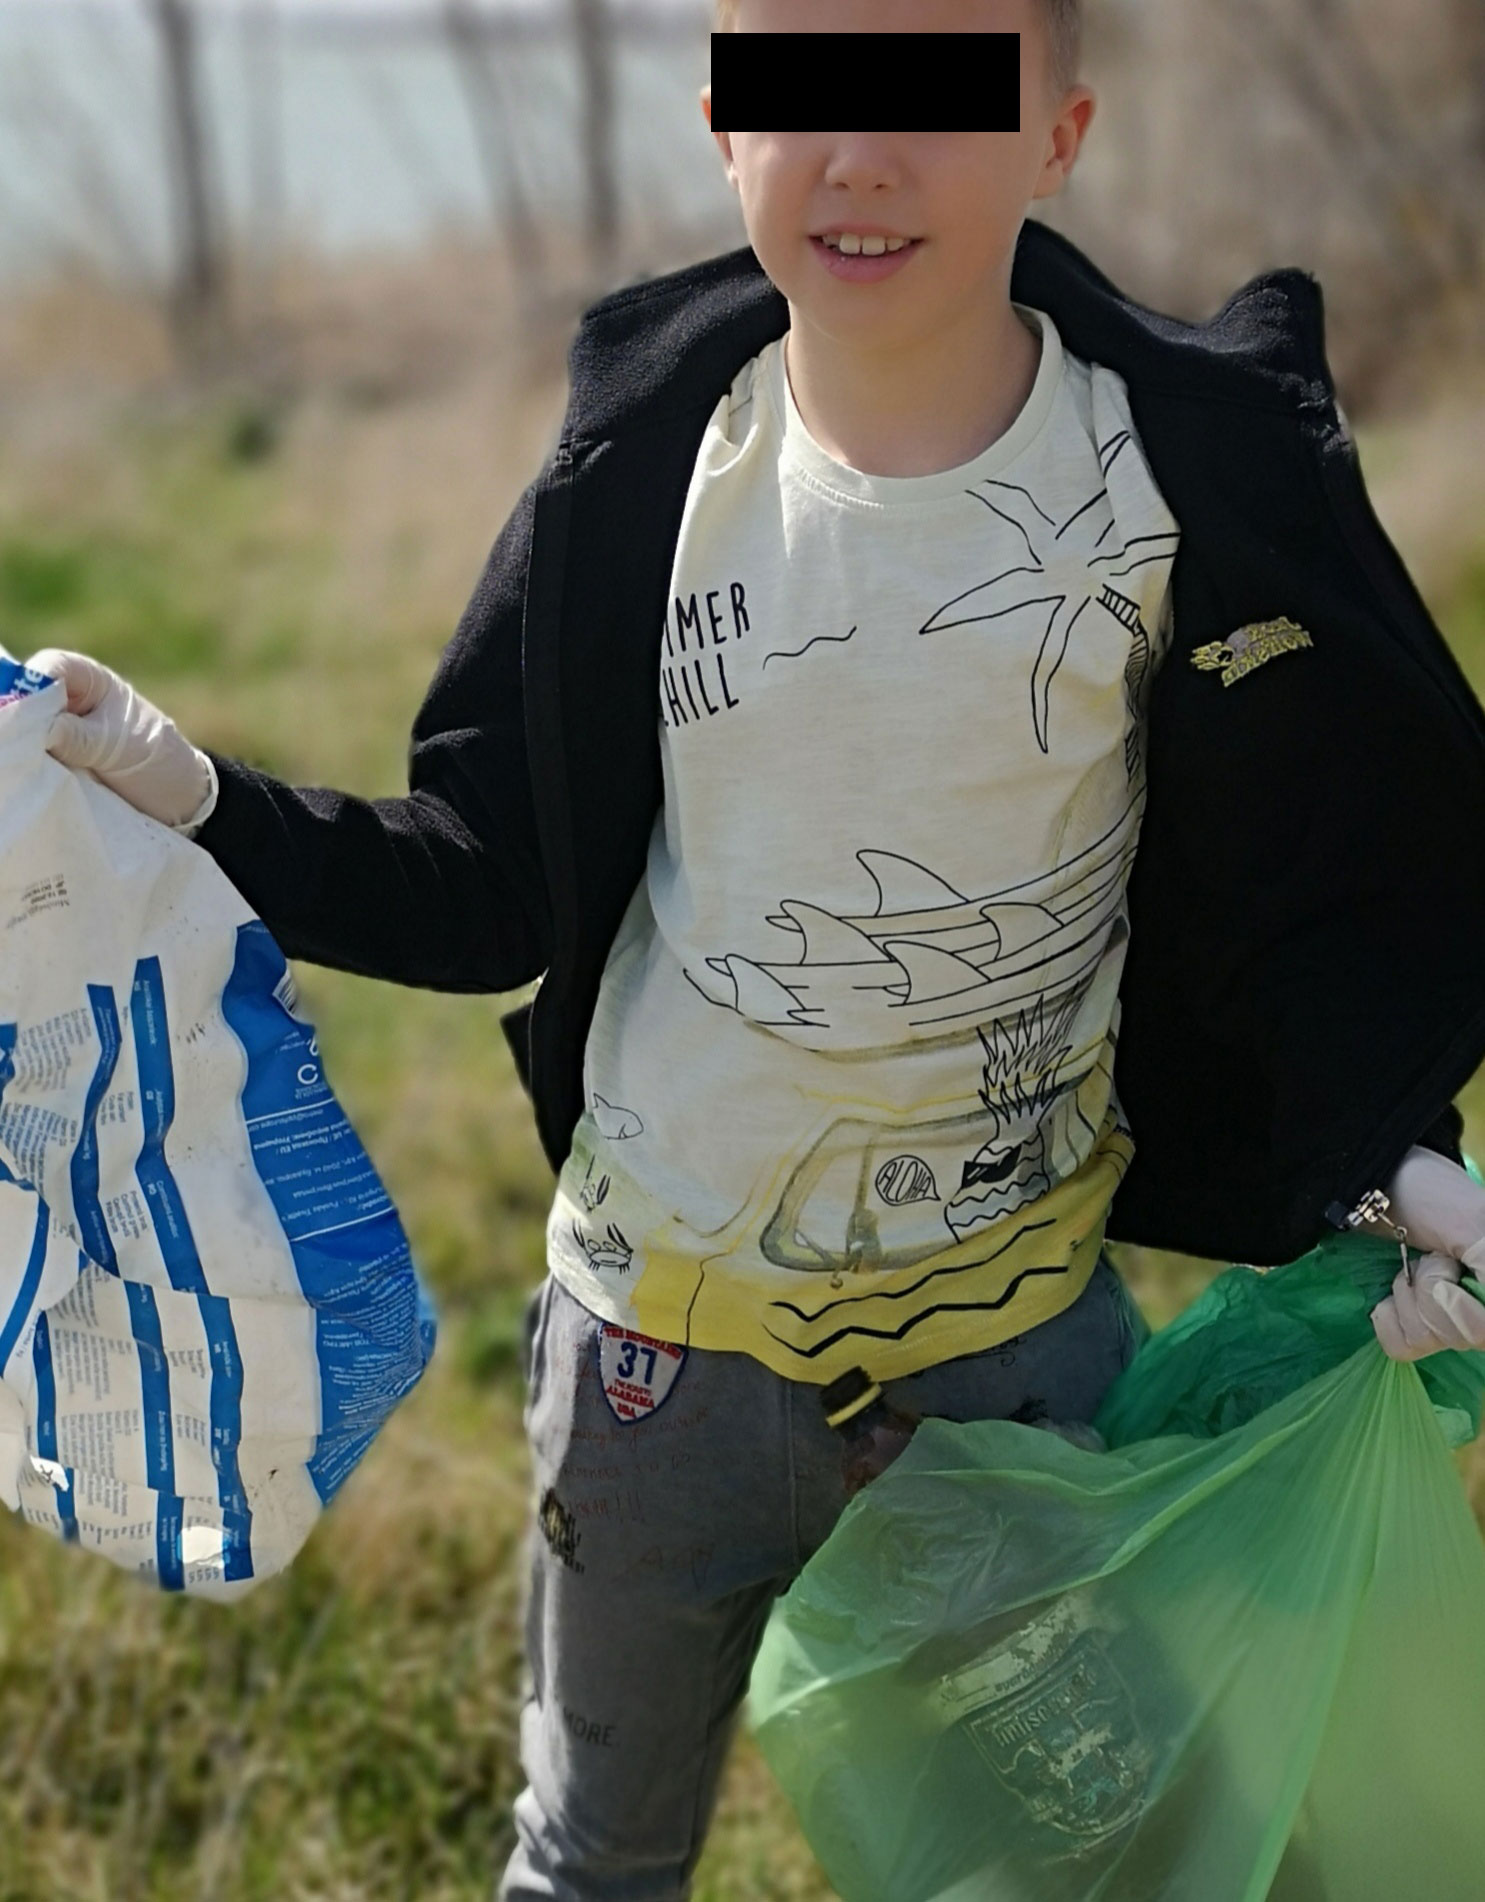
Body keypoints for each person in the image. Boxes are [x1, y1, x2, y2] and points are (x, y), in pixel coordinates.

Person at [25, 0, 1485, 1892]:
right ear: (722, 123)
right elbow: (483, 881)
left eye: (943, 94)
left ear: (1061, 133)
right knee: (590, 1856)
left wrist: (1392, 1159)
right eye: (800, 89)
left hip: (1010, 1361)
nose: (861, 155)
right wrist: (187, 788)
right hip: (657, 1371)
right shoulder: (644, 477)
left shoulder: (1185, 490)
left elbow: (1284, 909)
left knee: (1096, 1855)